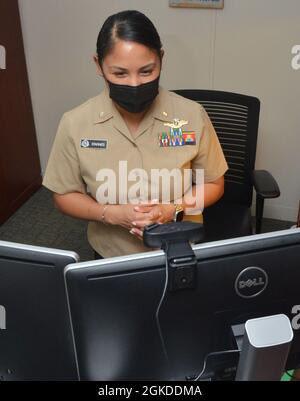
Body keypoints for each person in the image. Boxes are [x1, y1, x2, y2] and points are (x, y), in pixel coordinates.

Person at [42, 10, 228, 259]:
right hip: (110, 253)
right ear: (98, 65)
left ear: (161, 59)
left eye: (146, 71)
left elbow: (213, 183)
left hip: (179, 246)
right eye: (120, 73)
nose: (134, 84)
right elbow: (64, 195)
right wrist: (111, 214)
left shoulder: (191, 116)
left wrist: (173, 208)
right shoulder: (75, 123)